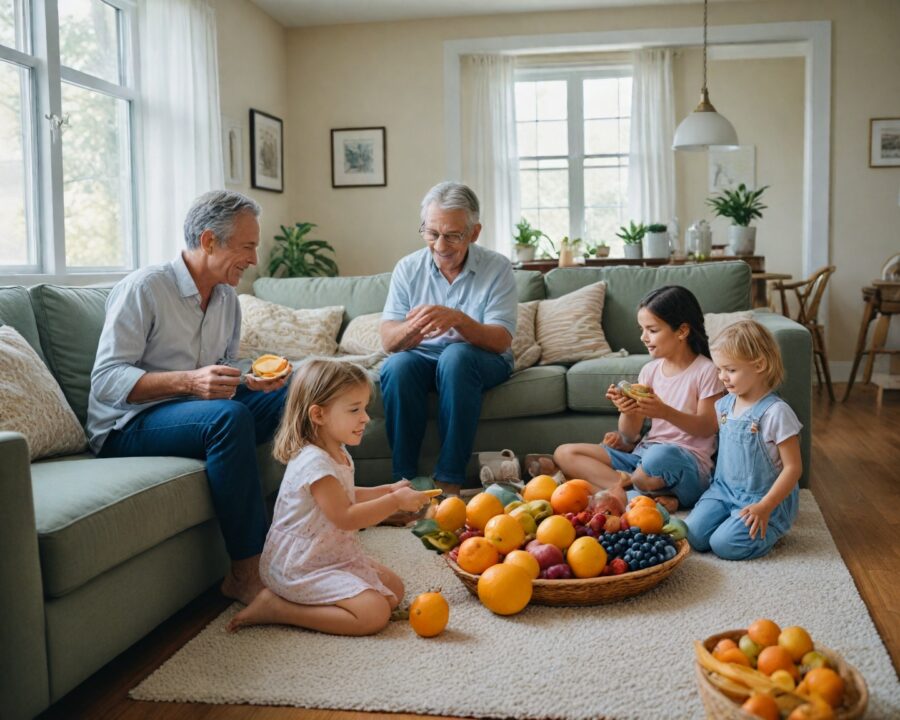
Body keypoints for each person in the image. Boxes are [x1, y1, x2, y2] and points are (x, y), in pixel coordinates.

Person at [87, 190, 290, 606]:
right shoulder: (145, 288)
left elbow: (220, 368)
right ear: (209, 241)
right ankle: (245, 575)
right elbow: (106, 380)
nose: (254, 259)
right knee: (228, 419)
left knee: (296, 390)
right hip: (127, 426)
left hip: (196, 413)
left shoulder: (227, 299)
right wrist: (190, 382)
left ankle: (320, 523)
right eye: (247, 246)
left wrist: (246, 380)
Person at [227, 360, 432, 635]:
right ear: (318, 414)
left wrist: (388, 490)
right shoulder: (314, 462)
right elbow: (346, 517)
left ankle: (328, 593)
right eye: (355, 409)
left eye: (365, 408)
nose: (365, 418)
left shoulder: (337, 450)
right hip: (300, 565)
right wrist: (394, 502)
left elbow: (344, 495)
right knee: (374, 614)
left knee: (394, 591)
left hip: (329, 554)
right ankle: (277, 608)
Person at [379, 182, 517, 496]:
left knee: (456, 357)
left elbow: (501, 340)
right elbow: (388, 341)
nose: (440, 246)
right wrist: (413, 328)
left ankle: (449, 481)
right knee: (397, 366)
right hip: (423, 357)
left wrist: (457, 319)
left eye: (453, 235)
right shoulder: (407, 268)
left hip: (481, 358)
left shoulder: (496, 267)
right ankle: (404, 483)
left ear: (474, 233)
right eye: (432, 233)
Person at [553, 285, 724, 512]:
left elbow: (708, 426)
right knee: (565, 453)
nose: (643, 337)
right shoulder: (650, 371)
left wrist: (664, 412)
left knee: (657, 458)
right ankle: (636, 491)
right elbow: (629, 434)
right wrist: (628, 410)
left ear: (682, 331)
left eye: (652, 330)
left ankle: (623, 489)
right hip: (643, 456)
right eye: (642, 329)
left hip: (685, 462)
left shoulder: (706, 371)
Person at [686, 320, 802, 560]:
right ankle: (730, 520)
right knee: (693, 535)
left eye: (730, 370)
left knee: (723, 545)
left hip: (762, 498)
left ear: (759, 365)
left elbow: (793, 468)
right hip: (724, 491)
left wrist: (765, 506)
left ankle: (774, 529)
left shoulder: (776, 413)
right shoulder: (724, 405)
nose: (722, 377)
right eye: (719, 370)